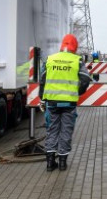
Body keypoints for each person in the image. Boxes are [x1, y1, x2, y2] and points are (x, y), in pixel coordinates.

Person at [39, 34, 93, 171]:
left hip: (52, 102)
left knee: (52, 130)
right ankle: (62, 162)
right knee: (66, 131)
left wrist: (42, 98)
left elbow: (42, 80)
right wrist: (78, 92)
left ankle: (50, 163)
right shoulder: (77, 60)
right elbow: (86, 78)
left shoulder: (50, 59)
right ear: (74, 46)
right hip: (69, 103)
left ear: (62, 45)